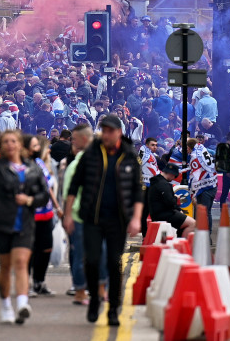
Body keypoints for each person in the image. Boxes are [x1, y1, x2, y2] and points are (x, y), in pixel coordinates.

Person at [63, 114, 143, 326]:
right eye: (103, 130)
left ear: (118, 132)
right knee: (92, 260)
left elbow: (137, 190)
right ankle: (95, 300)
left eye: (110, 131)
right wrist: (68, 214)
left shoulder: (129, 154)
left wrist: (136, 218)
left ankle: (113, 310)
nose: (106, 134)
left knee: (114, 263)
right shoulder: (91, 153)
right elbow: (74, 186)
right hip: (92, 218)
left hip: (118, 220)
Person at [0, 129, 50, 325]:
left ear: (19, 145)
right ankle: (6, 304)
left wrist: (29, 199)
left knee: (21, 263)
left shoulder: (33, 168)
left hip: (25, 223)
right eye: (5, 142)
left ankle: (23, 303)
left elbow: (44, 195)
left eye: (12, 141)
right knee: (6, 267)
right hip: (2, 223)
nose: (9, 145)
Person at [61, 125, 97, 305]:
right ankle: (79, 289)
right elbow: (69, 192)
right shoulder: (77, 165)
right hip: (79, 216)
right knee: (80, 253)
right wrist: (68, 215)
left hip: (92, 216)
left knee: (88, 253)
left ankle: (86, 287)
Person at [25, 135, 62, 297]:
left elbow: (48, 189)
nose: (48, 150)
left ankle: (40, 281)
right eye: (45, 147)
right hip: (31, 214)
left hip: (46, 214)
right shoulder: (25, 165)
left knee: (46, 248)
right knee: (31, 250)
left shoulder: (41, 164)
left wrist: (57, 206)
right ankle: (26, 284)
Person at [146, 159, 195, 237]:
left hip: (157, 213)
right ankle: (182, 243)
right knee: (193, 223)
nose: (174, 178)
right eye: (174, 176)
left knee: (184, 220)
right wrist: (176, 199)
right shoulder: (164, 185)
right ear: (170, 174)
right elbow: (170, 202)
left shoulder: (156, 182)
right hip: (165, 214)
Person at [187, 135, 217, 218]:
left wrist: (193, 193)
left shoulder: (194, 157)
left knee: (202, 214)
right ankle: (208, 231)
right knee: (208, 213)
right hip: (213, 183)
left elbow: (195, 177)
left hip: (204, 187)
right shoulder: (203, 149)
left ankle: (202, 231)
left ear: (189, 147)